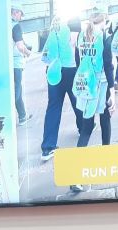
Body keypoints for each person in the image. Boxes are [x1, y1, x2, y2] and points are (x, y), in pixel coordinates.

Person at [69, 6, 117, 193]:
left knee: (86, 128)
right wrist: (113, 93)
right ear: (103, 20)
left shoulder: (82, 36)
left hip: (86, 85)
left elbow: (78, 61)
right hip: (101, 85)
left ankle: (75, 176)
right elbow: (108, 66)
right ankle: (106, 158)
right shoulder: (104, 37)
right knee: (105, 121)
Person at [40, 13, 82, 160]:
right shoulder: (73, 28)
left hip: (53, 71)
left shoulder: (53, 31)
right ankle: (83, 127)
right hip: (70, 69)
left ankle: (48, 147)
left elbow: (46, 56)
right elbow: (78, 49)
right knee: (77, 100)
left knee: (53, 107)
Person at [12, 5, 35, 125]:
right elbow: (20, 46)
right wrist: (28, 52)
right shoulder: (16, 26)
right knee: (16, 90)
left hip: (8, 62)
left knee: (18, 89)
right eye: (21, 14)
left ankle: (22, 116)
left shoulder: (5, 25)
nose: (21, 18)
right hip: (15, 63)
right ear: (16, 12)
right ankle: (11, 116)